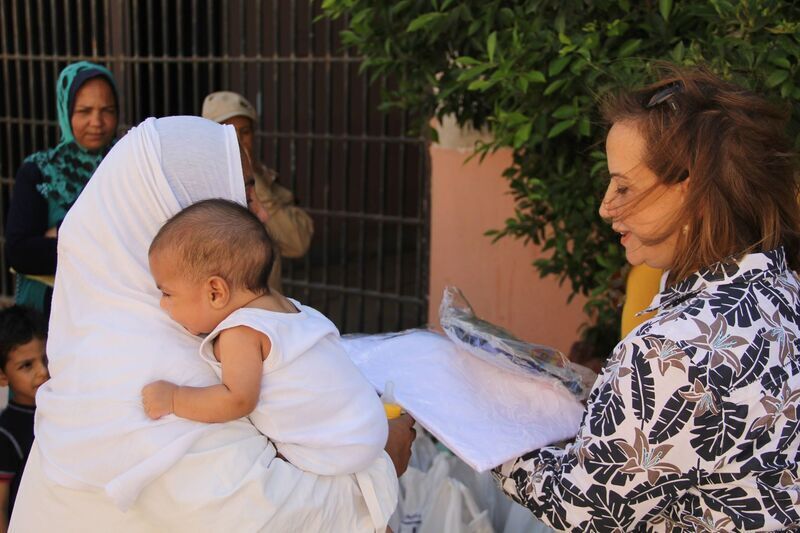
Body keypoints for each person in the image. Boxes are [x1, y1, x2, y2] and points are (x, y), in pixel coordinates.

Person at [9, 116, 415, 532]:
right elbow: (260, 513)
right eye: (242, 193)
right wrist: (384, 463)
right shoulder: (140, 380)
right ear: (174, 213)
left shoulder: (146, 337)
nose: (259, 214)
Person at [494, 66, 800, 530]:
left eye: (624, 187)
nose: (605, 206)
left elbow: (581, 509)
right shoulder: (783, 290)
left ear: (692, 190)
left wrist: (483, 425)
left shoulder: (669, 351)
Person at [140, 199, 395, 526]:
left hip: (334, 451)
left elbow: (238, 398)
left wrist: (174, 398)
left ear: (215, 292)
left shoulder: (241, 332)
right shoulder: (287, 306)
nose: (162, 305)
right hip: (365, 427)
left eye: (168, 293)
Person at [4, 61, 118, 317]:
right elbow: (20, 253)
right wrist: (103, 242)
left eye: (107, 110)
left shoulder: (126, 165)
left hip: (110, 315)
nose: (96, 122)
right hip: (49, 314)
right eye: (84, 111)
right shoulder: (39, 170)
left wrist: (62, 234)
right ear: (65, 112)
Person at [201, 90, 314, 292]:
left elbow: (298, 243)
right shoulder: (197, 185)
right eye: (227, 132)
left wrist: (253, 180)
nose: (238, 140)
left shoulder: (266, 181)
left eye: (244, 132)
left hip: (263, 314)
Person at [0, 306, 49, 531]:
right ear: (3, 376)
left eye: (46, 359)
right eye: (27, 365)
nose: (42, 371)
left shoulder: (60, 412)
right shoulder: (6, 434)